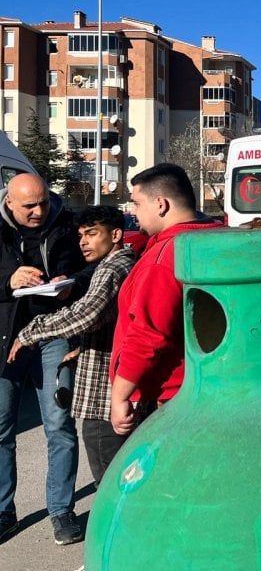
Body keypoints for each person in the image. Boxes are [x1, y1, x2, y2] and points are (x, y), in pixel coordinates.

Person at [8, 206, 135, 488]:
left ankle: (113, 532)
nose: (83, 242)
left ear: (115, 235)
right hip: (110, 385)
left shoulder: (113, 268)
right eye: (81, 236)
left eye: (92, 234)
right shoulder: (120, 264)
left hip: (104, 397)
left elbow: (85, 314)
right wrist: (83, 348)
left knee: (112, 482)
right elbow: (113, 323)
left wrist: (31, 332)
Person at [0, 174, 87, 545]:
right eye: (30, 207)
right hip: (6, 341)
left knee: (60, 425)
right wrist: (8, 279)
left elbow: (93, 266)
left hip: (53, 335)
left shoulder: (67, 223)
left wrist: (73, 282)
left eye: (44, 203)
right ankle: (4, 511)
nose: (39, 211)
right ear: (9, 204)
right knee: (1, 429)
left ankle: (61, 511)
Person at [110, 163, 218, 437]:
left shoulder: (164, 257)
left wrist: (121, 396)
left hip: (171, 397)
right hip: (210, 386)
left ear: (160, 204)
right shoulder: (215, 238)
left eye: (136, 203)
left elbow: (148, 334)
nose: (133, 213)